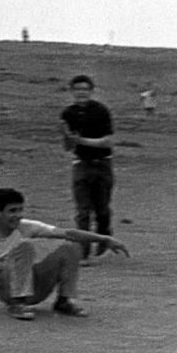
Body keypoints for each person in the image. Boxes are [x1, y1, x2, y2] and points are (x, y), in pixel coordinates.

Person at [0, 187, 129, 320]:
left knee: (71, 246)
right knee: (24, 247)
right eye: (12, 211)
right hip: (8, 289)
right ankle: (17, 304)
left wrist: (104, 239)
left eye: (20, 210)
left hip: (35, 286)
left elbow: (67, 232)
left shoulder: (26, 226)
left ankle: (63, 301)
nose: (18, 215)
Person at [59, 74, 116, 261]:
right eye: (77, 89)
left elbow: (107, 141)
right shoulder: (68, 114)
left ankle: (103, 242)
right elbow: (68, 147)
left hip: (102, 164)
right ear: (72, 92)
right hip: (81, 164)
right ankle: (82, 252)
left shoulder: (101, 111)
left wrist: (81, 140)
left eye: (85, 89)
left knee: (102, 210)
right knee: (82, 212)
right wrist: (66, 137)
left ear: (91, 91)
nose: (81, 93)